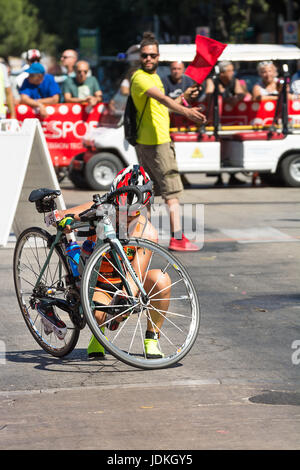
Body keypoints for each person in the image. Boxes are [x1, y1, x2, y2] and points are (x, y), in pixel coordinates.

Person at [43, 165, 169, 359]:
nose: (125, 216)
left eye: (133, 213)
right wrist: (60, 218)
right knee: (97, 315)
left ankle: (152, 339)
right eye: (120, 209)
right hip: (98, 284)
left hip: (126, 284)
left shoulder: (148, 232)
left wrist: (123, 304)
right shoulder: (102, 211)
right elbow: (67, 215)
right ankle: (98, 337)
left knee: (161, 279)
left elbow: (134, 277)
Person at [130, 31, 206, 252]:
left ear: (158, 56)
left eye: (152, 55)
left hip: (153, 142)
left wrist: (184, 99)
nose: (149, 59)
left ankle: (145, 238)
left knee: (148, 193)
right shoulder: (140, 77)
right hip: (156, 144)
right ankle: (177, 238)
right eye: (145, 55)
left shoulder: (154, 78)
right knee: (172, 192)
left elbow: (162, 106)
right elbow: (161, 99)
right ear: (140, 57)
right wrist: (187, 112)